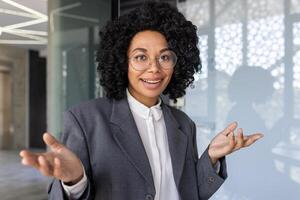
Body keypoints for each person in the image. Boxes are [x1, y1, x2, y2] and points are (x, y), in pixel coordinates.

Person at [20, 2, 263, 200]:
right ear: (122, 62)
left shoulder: (183, 124)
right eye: (140, 57)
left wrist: (210, 156)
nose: (154, 69)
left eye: (164, 57)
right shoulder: (86, 119)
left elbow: (191, 193)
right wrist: (74, 180)